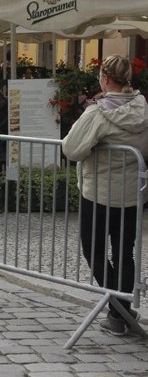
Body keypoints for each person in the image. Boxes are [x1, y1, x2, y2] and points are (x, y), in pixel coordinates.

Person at [62, 54, 148, 336]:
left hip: (99, 193)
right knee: (124, 252)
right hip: (132, 193)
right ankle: (121, 312)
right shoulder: (141, 106)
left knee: (94, 250)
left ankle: (117, 311)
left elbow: (71, 149)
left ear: (105, 77)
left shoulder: (98, 112)